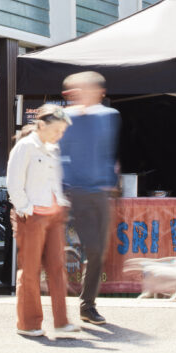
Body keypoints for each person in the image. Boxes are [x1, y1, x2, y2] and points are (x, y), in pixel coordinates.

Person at [6, 104, 81, 339]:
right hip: (32, 215)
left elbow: (54, 180)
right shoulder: (25, 147)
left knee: (57, 269)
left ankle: (61, 321)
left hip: (53, 215)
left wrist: (61, 201)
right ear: (41, 125)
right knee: (30, 271)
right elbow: (13, 181)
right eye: (56, 130)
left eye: (62, 132)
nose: (59, 136)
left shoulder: (53, 149)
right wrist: (24, 207)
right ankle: (28, 323)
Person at [57, 71, 120, 325]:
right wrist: (66, 188)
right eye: (77, 90)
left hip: (101, 193)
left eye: (87, 89)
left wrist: (111, 181)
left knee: (99, 252)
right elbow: (60, 153)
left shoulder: (110, 116)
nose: (81, 94)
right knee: (91, 247)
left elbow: (108, 153)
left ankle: (87, 306)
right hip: (78, 192)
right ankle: (81, 305)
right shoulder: (66, 119)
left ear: (99, 92)